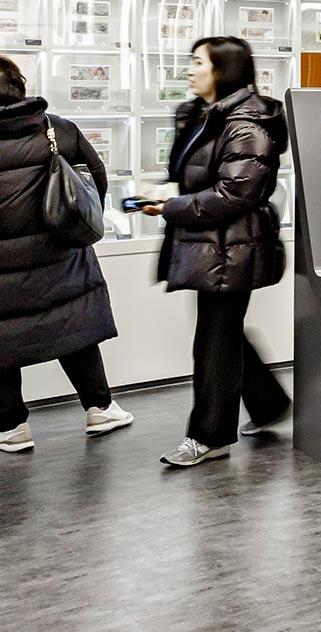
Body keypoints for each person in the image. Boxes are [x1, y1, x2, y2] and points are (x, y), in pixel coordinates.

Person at [139, 36, 291, 467]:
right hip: (207, 244)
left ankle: (209, 435)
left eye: (197, 62)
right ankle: (268, 403)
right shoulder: (199, 115)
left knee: (214, 339)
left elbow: (234, 193)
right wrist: (168, 191)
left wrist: (171, 207)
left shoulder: (247, 124)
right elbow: (196, 180)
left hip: (233, 246)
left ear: (223, 71)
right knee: (221, 334)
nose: (188, 70)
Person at [0, 55, 133, 452]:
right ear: (20, 87)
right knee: (74, 330)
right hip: (60, 259)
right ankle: (100, 408)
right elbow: (95, 182)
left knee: (3, 342)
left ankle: (11, 428)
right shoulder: (56, 129)